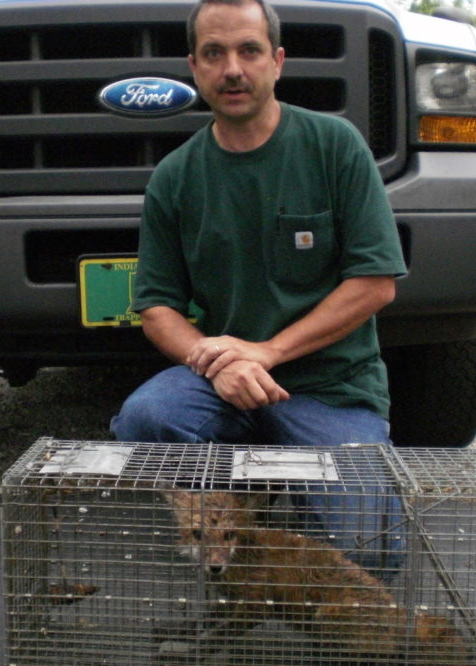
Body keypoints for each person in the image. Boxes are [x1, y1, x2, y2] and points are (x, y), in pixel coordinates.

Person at [110, 0, 407, 569]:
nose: (233, 70)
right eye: (214, 53)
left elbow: (375, 284)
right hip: (225, 383)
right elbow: (156, 310)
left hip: (332, 386)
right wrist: (217, 361)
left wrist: (266, 352)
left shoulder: (334, 145)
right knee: (148, 417)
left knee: (372, 556)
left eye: (248, 50)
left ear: (277, 61)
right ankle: (239, 524)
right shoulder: (174, 177)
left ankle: (287, 501)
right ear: (194, 67)